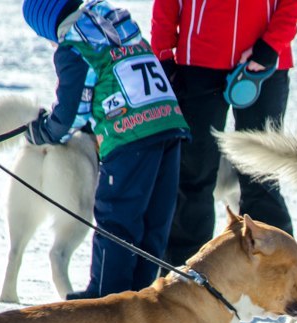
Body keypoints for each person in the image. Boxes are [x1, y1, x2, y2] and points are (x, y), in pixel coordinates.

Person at [22, 0, 189, 300]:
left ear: (45, 24)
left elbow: (71, 115)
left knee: (118, 222)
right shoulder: (116, 20)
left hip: (129, 134)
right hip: (168, 124)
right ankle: (140, 300)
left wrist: (43, 131)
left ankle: (109, 303)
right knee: (154, 222)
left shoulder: (72, 46)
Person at [151, 0, 297, 265]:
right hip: (198, 62)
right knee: (193, 174)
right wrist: (164, 54)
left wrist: (270, 46)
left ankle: (278, 271)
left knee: (262, 173)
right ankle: (183, 272)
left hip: (264, 64)